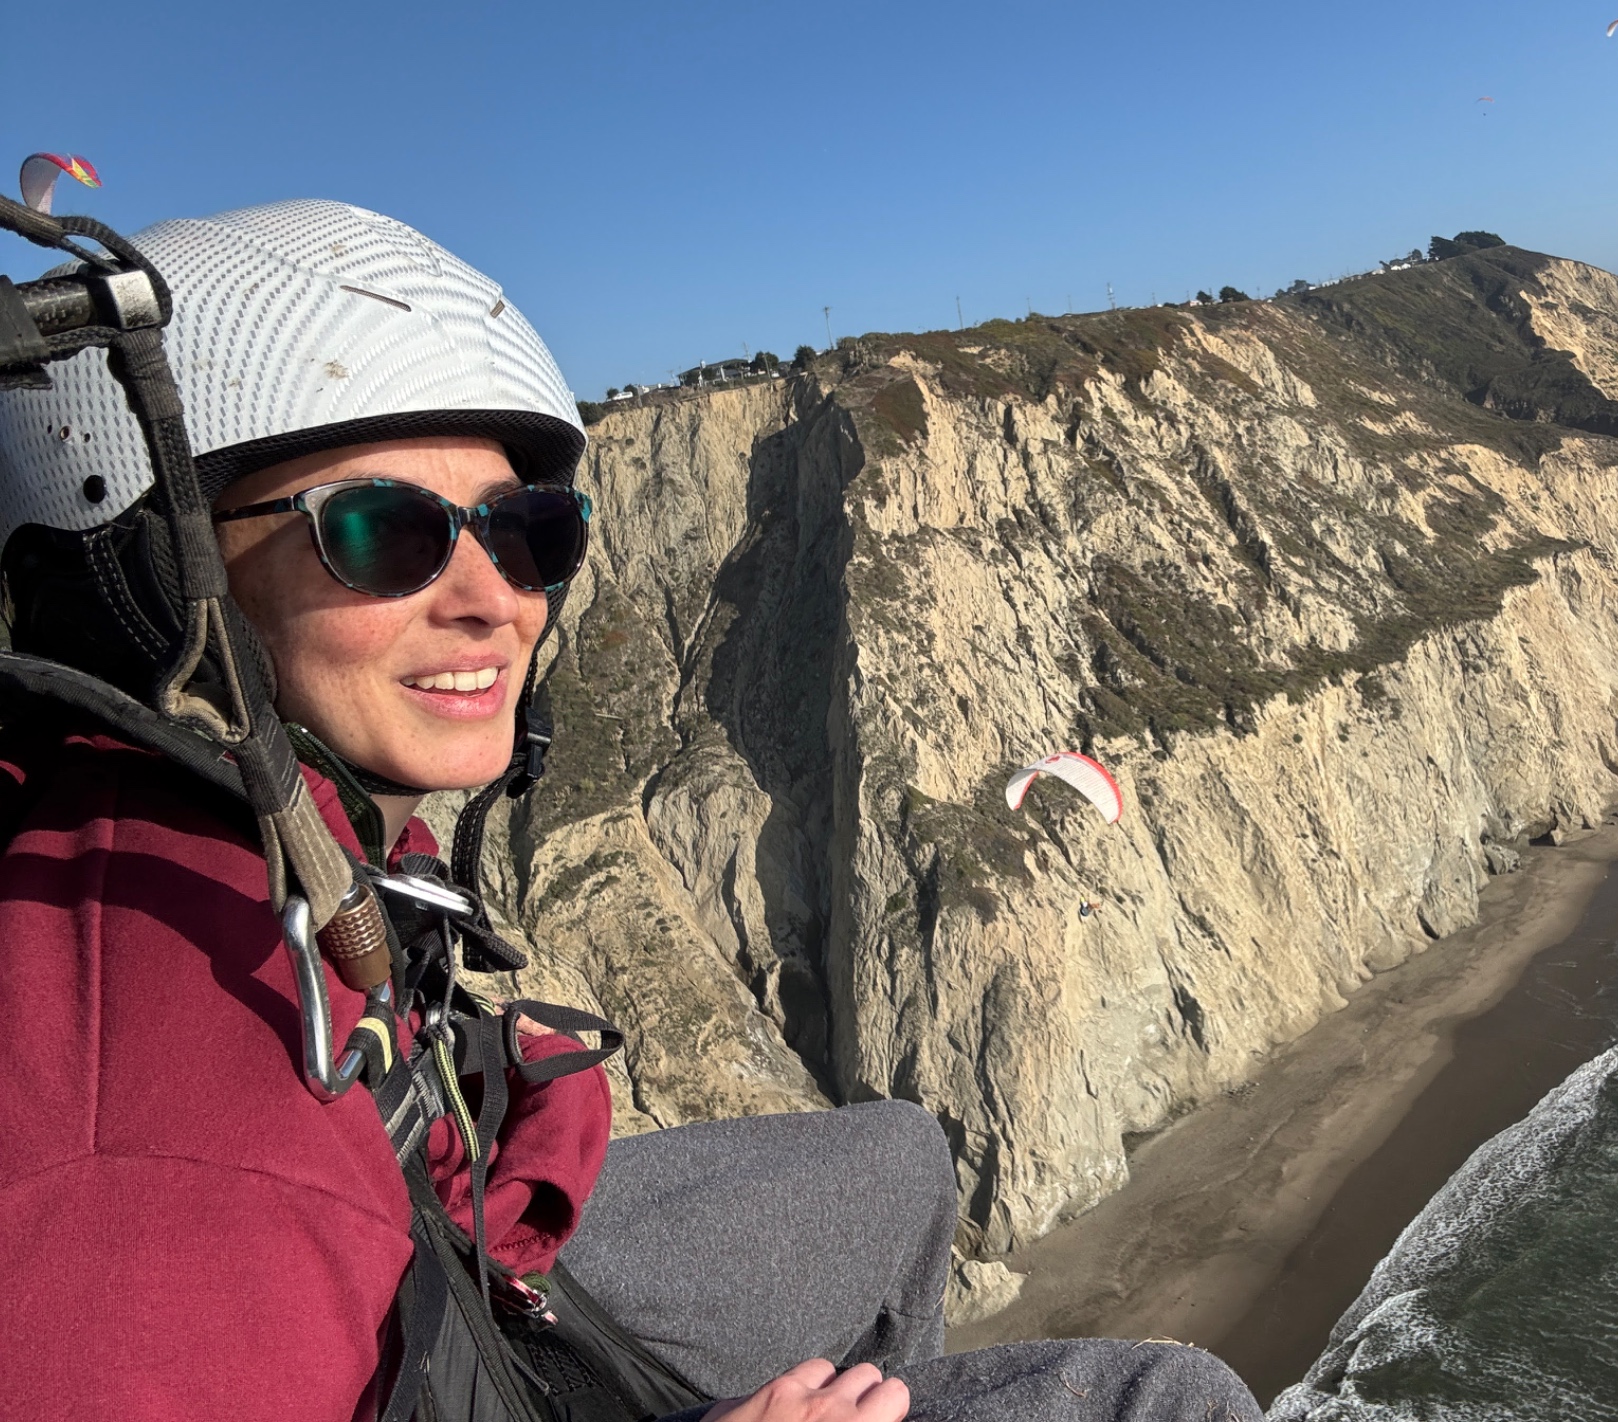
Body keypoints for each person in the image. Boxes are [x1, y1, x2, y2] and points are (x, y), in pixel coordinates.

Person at [0, 200, 1261, 1422]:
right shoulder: (144, 1183)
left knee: (901, 1160)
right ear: (151, 575)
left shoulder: (275, 826)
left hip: (445, 1266)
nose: (493, 599)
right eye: (382, 533)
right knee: (1165, 1402)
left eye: (526, 532)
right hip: (411, 1315)